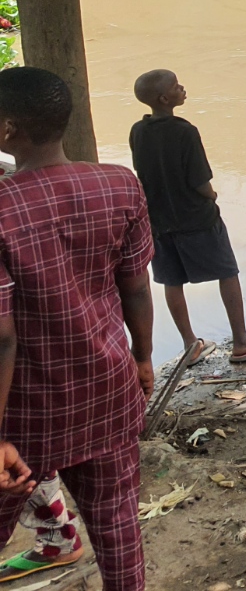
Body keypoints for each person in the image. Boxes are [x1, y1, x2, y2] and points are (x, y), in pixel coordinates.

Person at [0, 66, 154, 591]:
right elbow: (135, 286)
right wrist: (143, 356)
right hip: (108, 388)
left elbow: (3, 336)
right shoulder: (119, 184)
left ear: (7, 130)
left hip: (26, 411)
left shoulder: (3, 207)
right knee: (118, 525)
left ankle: (53, 542)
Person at [129, 70, 246, 364]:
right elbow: (199, 181)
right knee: (227, 272)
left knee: (171, 281)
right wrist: (212, 195)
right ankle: (242, 341)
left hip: (159, 222)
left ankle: (190, 344)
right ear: (164, 98)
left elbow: (144, 175)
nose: (182, 88)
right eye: (176, 86)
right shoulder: (185, 131)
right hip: (197, 218)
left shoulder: (138, 131)